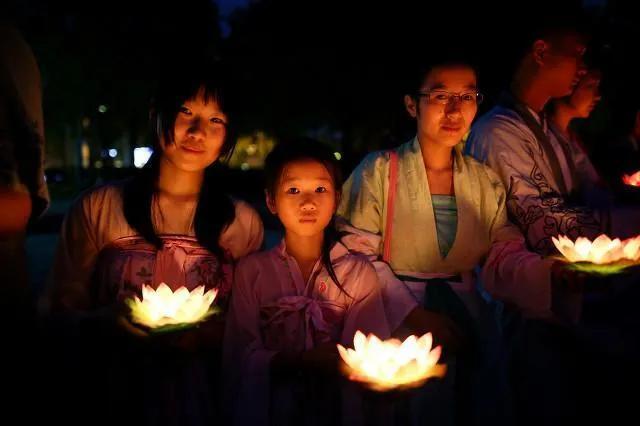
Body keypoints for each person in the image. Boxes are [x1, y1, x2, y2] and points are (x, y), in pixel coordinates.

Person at [46, 64, 263, 426]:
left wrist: (209, 335)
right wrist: (101, 324)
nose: (197, 132)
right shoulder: (100, 207)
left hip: (205, 400)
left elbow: (251, 326)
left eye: (216, 121)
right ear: (156, 114)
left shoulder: (240, 223)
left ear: (228, 136)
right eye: (185, 112)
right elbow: (56, 313)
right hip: (113, 394)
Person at [224, 139, 389, 426]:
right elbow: (239, 354)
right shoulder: (253, 271)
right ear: (271, 201)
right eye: (293, 190)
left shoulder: (358, 274)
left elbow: (372, 355)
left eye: (321, 189)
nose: (308, 202)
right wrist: (297, 362)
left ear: (337, 199)